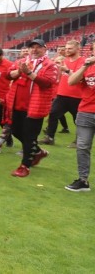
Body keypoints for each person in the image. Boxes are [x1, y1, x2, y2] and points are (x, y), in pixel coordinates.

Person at [5, 39, 58, 177]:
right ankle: (37, 151)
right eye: (31, 47)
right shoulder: (21, 61)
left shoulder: (50, 65)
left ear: (45, 49)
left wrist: (29, 73)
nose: (34, 49)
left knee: (29, 136)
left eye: (38, 47)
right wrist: (19, 71)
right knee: (16, 131)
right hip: (17, 104)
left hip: (35, 106)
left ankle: (25, 166)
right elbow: (7, 75)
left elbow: (46, 83)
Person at [40, 40, 84, 145]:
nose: (67, 50)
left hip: (77, 96)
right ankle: (49, 138)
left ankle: (79, 141)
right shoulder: (65, 60)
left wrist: (67, 70)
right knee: (53, 113)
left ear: (78, 49)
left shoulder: (82, 61)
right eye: (66, 48)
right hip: (62, 95)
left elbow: (80, 78)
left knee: (78, 120)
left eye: (70, 48)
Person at [65, 45, 95, 191]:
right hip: (86, 112)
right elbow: (71, 81)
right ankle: (83, 180)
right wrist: (85, 66)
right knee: (82, 147)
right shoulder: (88, 66)